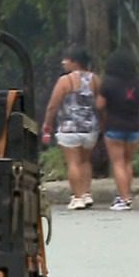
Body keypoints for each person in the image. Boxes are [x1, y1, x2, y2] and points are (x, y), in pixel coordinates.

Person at [42, 46, 100, 210]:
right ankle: (87, 193)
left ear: (74, 62)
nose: (63, 62)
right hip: (90, 128)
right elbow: (100, 103)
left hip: (69, 128)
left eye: (66, 59)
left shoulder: (64, 81)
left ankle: (77, 197)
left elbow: (53, 105)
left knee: (73, 163)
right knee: (85, 161)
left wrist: (47, 123)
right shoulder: (95, 79)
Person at [98, 51, 139, 211]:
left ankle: (123, 198)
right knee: (128, 162)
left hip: (114, 125)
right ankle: (126, 194)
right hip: (134, 126)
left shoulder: (107, 83)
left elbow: (99, 105)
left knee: (118, 163)